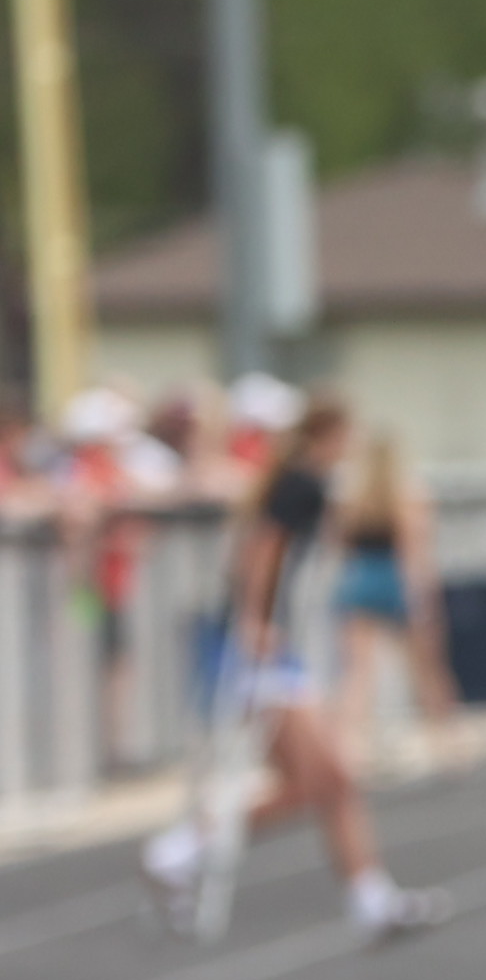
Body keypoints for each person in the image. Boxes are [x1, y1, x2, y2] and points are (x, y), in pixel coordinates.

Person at [133, 387, 448, 943]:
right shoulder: (298, 483)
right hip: (263, 655)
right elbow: (263, 548)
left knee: (320, 786)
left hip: (270, 648)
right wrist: (256, 620)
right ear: (330, 434)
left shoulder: (295, 482)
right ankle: (184, 850)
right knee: (331, 780)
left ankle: (188, 852)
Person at [323, 418, 450, 774]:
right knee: (426, 667)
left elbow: (338, 543)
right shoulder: (408, 491)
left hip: (360, 578)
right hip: (394, 579)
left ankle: (348, 751)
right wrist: (422, 595)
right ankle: (447, 741)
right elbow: (415, 548)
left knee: (358, 674)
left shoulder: (351, 492)